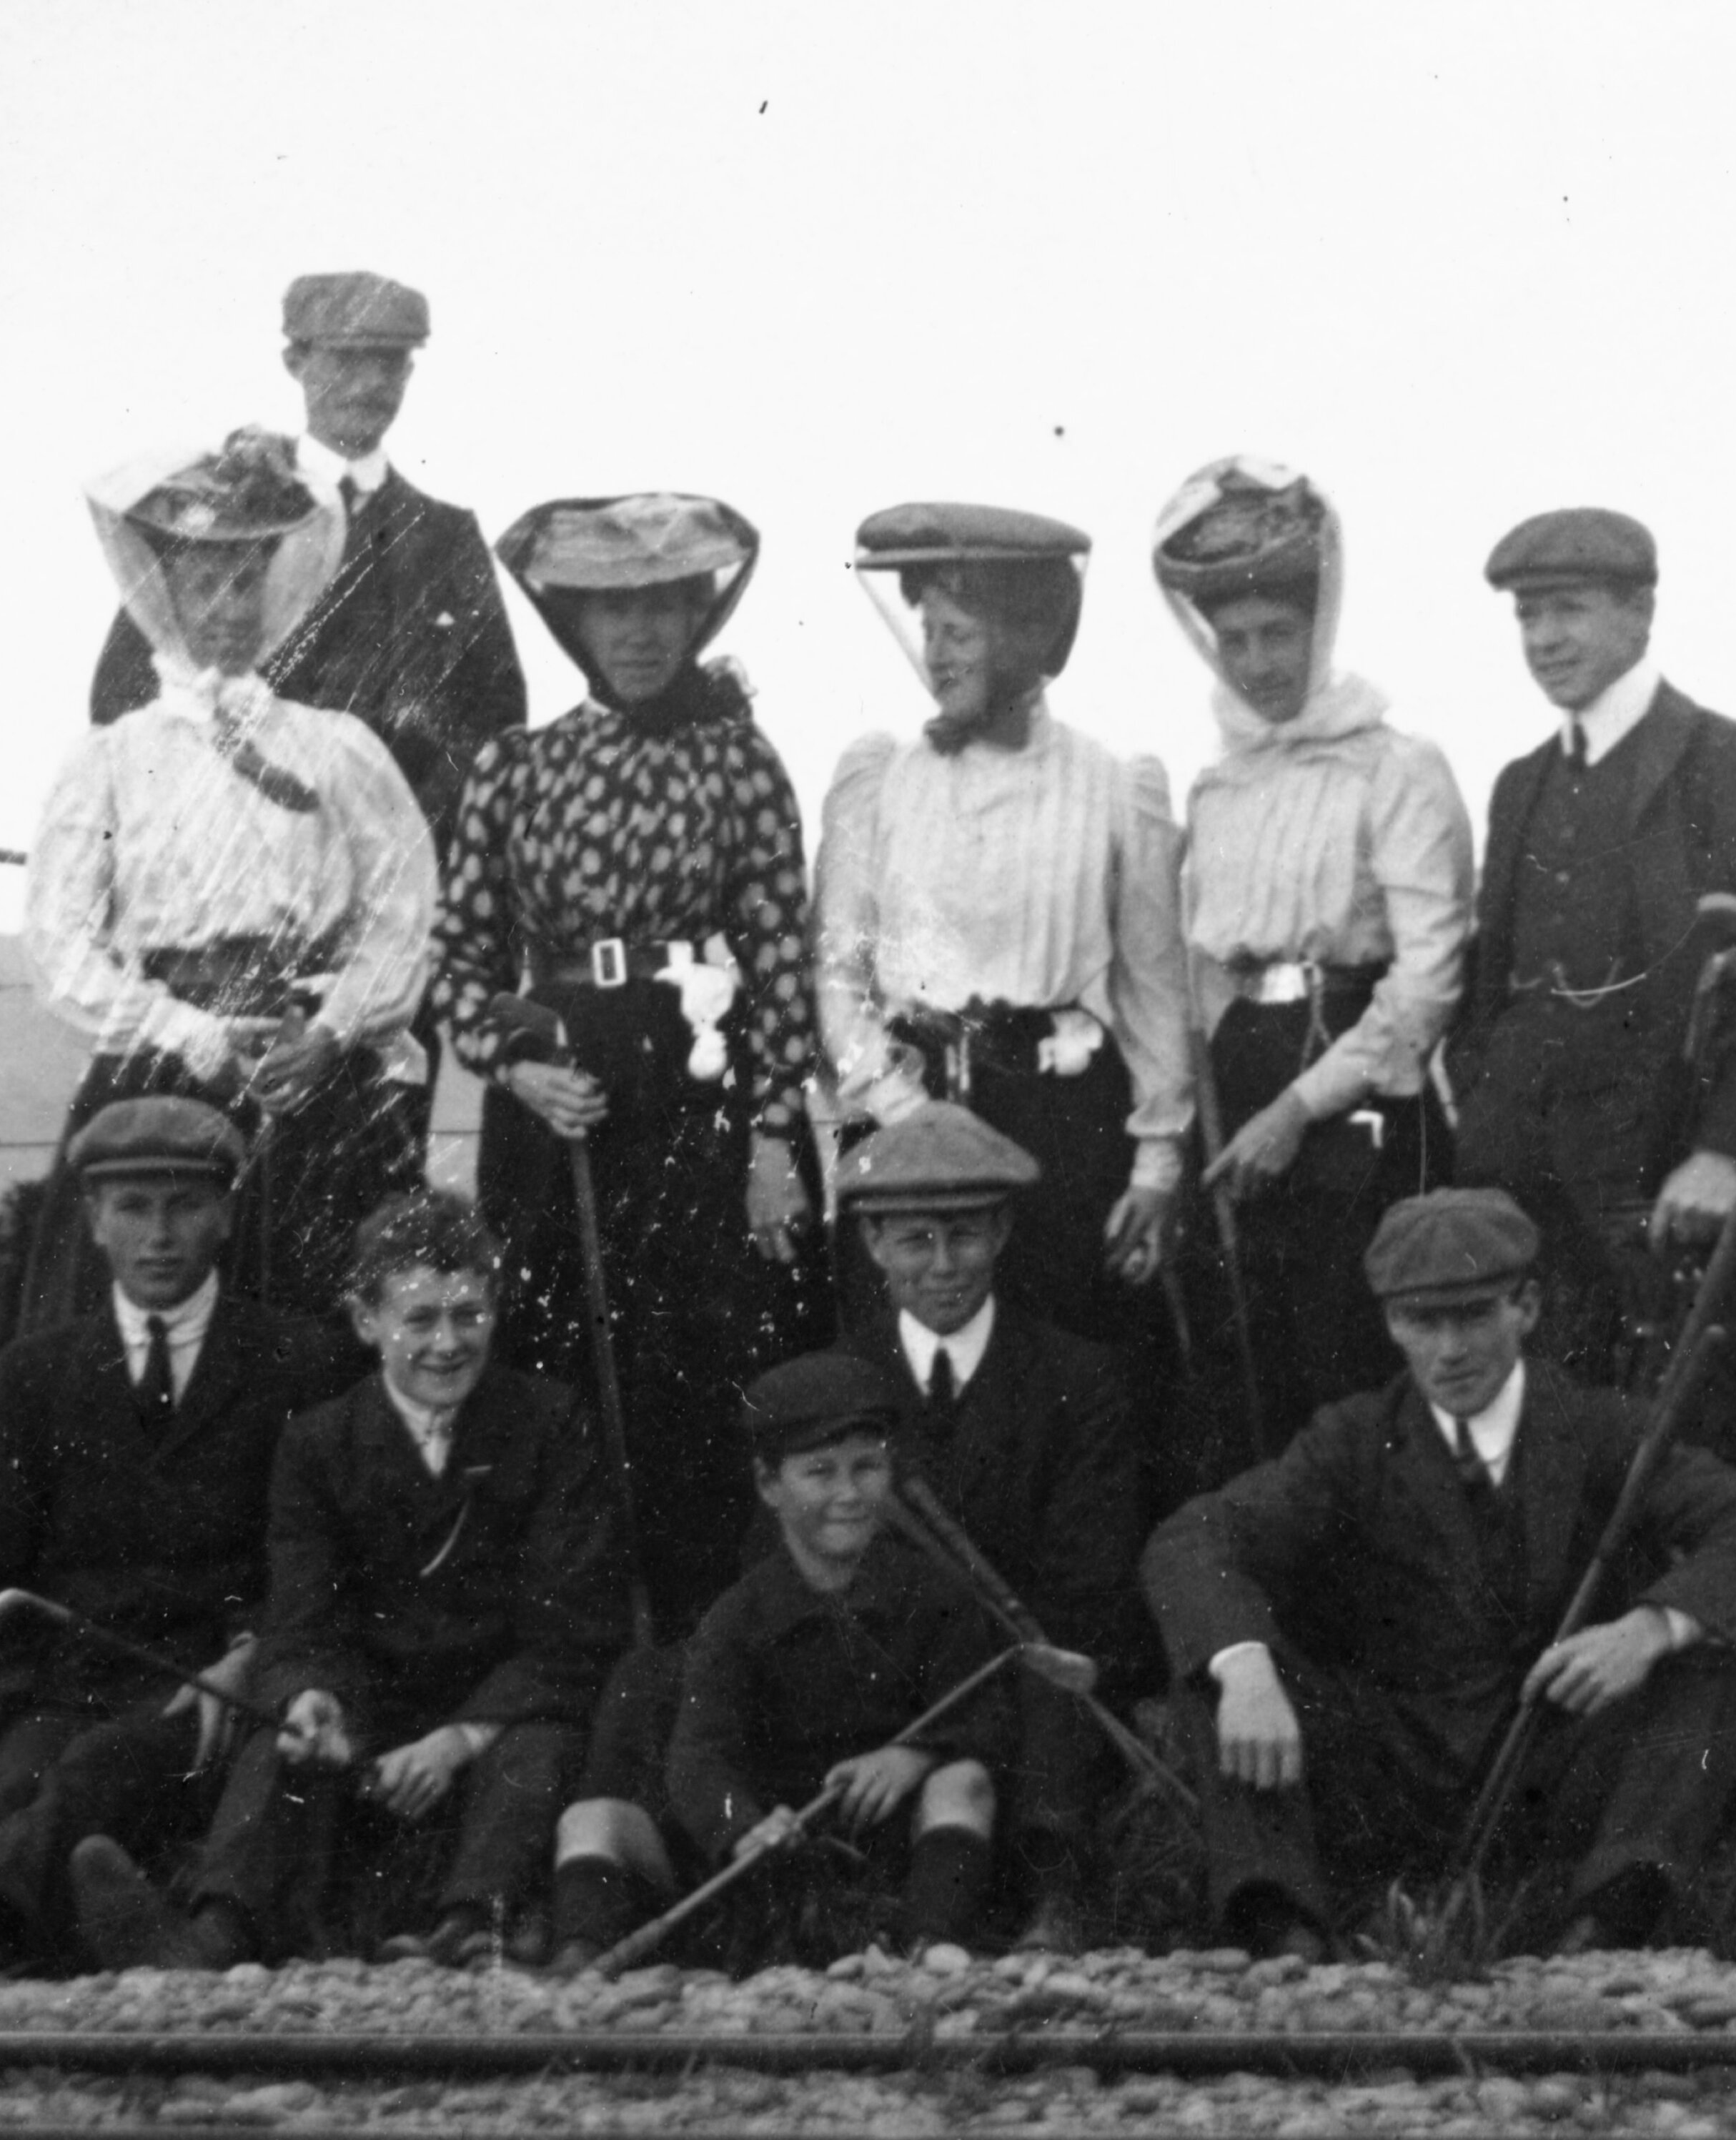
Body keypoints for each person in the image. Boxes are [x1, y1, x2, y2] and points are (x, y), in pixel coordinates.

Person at [1445, 508, 1736, 1805]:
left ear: (1637, 614)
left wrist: (1728, 1150)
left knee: (1708, 1443)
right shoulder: (1519, 784)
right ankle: (1603, 1740)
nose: (1545, 637)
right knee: (1557, 1444)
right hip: (1535, 1193)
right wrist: (1490, 1137)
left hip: (1674, 1185)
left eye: (1569, 609)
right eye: (1525, 614)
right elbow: (1485, 988)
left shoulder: (1730, 763)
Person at [1141, 1189, 1736, 1958]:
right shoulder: (1352, 1439)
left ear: (1525, 1307)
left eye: (1472, 1316)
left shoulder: (1603, 1426)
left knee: (1713, 1658)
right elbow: (1191, 1538)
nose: (1449, 1349)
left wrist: (1648, 1628)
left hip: (1563, 1766)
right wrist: (1246, 1664)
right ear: (1393, 1323)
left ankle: (1609, 1924)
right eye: (1423, 1321)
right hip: (1395, 1771)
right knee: (1216, 1667)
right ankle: (1282, 1933)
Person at [436, 492, 825, 1635]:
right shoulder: (514, 765)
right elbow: (456, 955)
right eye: (614, 610)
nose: (642, 633)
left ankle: (709, 1629)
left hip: (697, 1085)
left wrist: (767, 1135)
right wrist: (511, 1065)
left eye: (663, 605)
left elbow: (778, 953)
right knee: (560, 1356)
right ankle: (582, 1639)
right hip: (559, 1091)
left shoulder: (737, 762)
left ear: (694, 615)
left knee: (703, 1356)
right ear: (574, 622)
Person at [64, 1192, 630, 1973]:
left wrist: (456, 1739)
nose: (447, 1342)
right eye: (419, 1317)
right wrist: (310, 1699)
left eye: (469, 1314)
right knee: (283, 1742)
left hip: (504, 1707)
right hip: (374, 1701)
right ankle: (212, 1937)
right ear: (366, 1321)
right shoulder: (318, 1443)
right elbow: (301, 1621)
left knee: (539, 1747)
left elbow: (573, 1629)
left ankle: (468, 1926)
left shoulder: (550, 1422)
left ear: (498, 1310)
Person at [0, 1094, 351, 1971]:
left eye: (185, 1205)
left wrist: (251, 1654)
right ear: (94, 1221)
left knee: (98, 1773)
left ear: (225, 1215)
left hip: (212, 1683)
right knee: (14, 1787)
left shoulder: (300, 1359)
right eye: (133, 1207)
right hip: (64, 1687)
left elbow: (323, 1560)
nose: (159, 1234)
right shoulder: (40, 1374)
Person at [21, 428, 440, 1330]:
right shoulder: (112, 757)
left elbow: (402, 920)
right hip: (163, 1073)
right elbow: (63, 950)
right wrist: (188, 1033)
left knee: (321, 1318)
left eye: (245, 578)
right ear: (161, 590)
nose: (226, 604)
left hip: (307, 1073)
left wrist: (333, 1030)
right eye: (202, 579)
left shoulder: (335, 748)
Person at [813, 502, 1193, 1355]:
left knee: (1065, 1353)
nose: (935, 654)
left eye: (960, 632)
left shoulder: (1113, 783)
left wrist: (1157, 1163)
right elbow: (840, 980)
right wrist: (903, 1111)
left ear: (1027, 634)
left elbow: (1154, 989)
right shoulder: (879, 778)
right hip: (909, 1106)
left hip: (1060, 1122)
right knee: (902, 1366)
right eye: (929, 630)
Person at [1151, 457, 1474, 1448]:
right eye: (1234, 639)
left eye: (1276, 634)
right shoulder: (1219, 783)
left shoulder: (1394, 766)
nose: (1255, 661)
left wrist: (1297, 1110)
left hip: (1353, 1090)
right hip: (1241, 1079)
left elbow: (1428, 975)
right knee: (1249, 1368)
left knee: (1356, 1363)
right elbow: (1202, 965)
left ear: (1317, 627)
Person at [548, 1354, 1016, 1974]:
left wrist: (916, 1755)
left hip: (887, 1859)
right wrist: (740, 1825)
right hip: (761, 1865)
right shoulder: (737, 1617)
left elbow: (986, 1715)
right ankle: (580, 1962)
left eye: (867, 1467)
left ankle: (927, 1945)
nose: (848, 1494)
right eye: (819, 1472)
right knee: (592, 1817)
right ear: (770, 1485)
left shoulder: (935, 1597)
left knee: (964, 1782)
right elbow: (698, 1756)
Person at [831, 1103, 1144, 1956]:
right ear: (872, 1244)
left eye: (965, 1236)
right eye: (914, 1241)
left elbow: (1086, 1577)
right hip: (890, 1673)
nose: (942, 1267)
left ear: (1003, 1231)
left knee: (1058, 1668)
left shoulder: (1080, 1377)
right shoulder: (833, 1385)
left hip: (1028, 1667)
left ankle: (1054, 1897)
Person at [88, 272, 526, 849]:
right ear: (295, 362)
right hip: (244, 863)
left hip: (404, 872)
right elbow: (125, 691)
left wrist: (412, 839)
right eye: (346, 361)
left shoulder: (446, 536)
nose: (369, 384)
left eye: (389, 363)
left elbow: (497, 719)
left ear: (410, 373)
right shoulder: (235, 513)